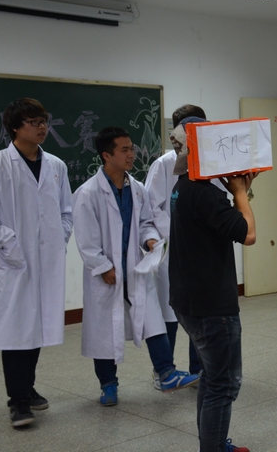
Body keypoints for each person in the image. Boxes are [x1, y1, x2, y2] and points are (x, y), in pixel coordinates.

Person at [73, 127, 198, 407]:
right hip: (106, 274)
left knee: (153, 320)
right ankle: (108, 384)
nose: (132, 154)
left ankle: (166, 373)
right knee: (104, 331)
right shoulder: (88, 193)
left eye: (132, 148)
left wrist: (150, 240)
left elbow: (145, 223)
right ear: (106, 155)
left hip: (135, 269)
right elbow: (86, 239)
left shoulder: (137, 189)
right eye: (125, 150)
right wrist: (102, 266)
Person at [168, 115, 257, 452]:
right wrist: (240, 191)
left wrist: (240, 193)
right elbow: (248, 233)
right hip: (211, 306)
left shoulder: (184, 186)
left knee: (211, 377)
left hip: (189, 300)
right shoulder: (206, 194)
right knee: (224, 384)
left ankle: (214, 443)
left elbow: (229, 222)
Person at [0, 98, 73, 427]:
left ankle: (27, 388)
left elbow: (66, 211)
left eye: (43, 121)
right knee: (16, 331)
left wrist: (59, 239)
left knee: (38, 326)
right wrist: (9, 244)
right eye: (33, 122)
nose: (42, 127)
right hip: (12, 261)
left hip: (46, 261)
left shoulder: (56, 165)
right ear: (15, 127)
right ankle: (18, 401)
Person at [144, 104, 205, 389]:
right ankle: (164, 370)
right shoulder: (164, 163)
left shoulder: (209, 160)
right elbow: (152, 205)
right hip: (172, 246)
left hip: (202, 248)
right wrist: (177, 232)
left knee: (200, 310)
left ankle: (199, 370)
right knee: (169, 311)